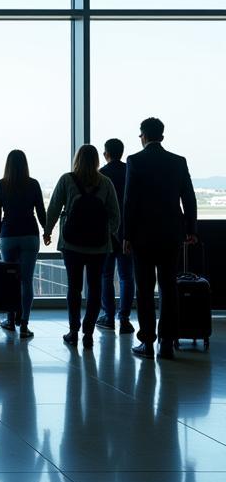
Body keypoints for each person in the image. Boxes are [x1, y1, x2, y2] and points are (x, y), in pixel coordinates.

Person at [122, 117, 198, 361]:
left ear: (142, 136)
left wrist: (126, 235)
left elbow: (129, 202)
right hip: (171, 234)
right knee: (168, 287)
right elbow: (189, 197)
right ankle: (166, 342)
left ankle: (147, 342)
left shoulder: (135, 161)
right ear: (162, 137)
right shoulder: (178, 162)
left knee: (144, 289)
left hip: (142, 236)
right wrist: (191, 229)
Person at [43, 144, 120, 349]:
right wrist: (106, 232)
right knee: (95, 288)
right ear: (96, 160)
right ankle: (88, 332)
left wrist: (48, 231)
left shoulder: (67, 180)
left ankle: (73, 331)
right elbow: (115, 215)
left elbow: (53, 208)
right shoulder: (105, 183)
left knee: (74, 288)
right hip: (98, 246)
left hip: (71, 244)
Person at [0, 149, 46, 340]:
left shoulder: (0, 185)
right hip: (30, 234)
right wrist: (46, 231)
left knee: (10, 280)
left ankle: (9, 319)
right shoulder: (33, 184)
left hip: (8, 234)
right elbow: (40, 210)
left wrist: (0, 235)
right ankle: (24, 324)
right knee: (26, 280)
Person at [96, 138, 135, 335]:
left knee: (106, 275)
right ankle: (125, 318)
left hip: (108, 232)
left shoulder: (101, 174)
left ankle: (108, 316)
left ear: (106, 154)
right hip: (128, 232)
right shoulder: (131, 170)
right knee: (127, 277)